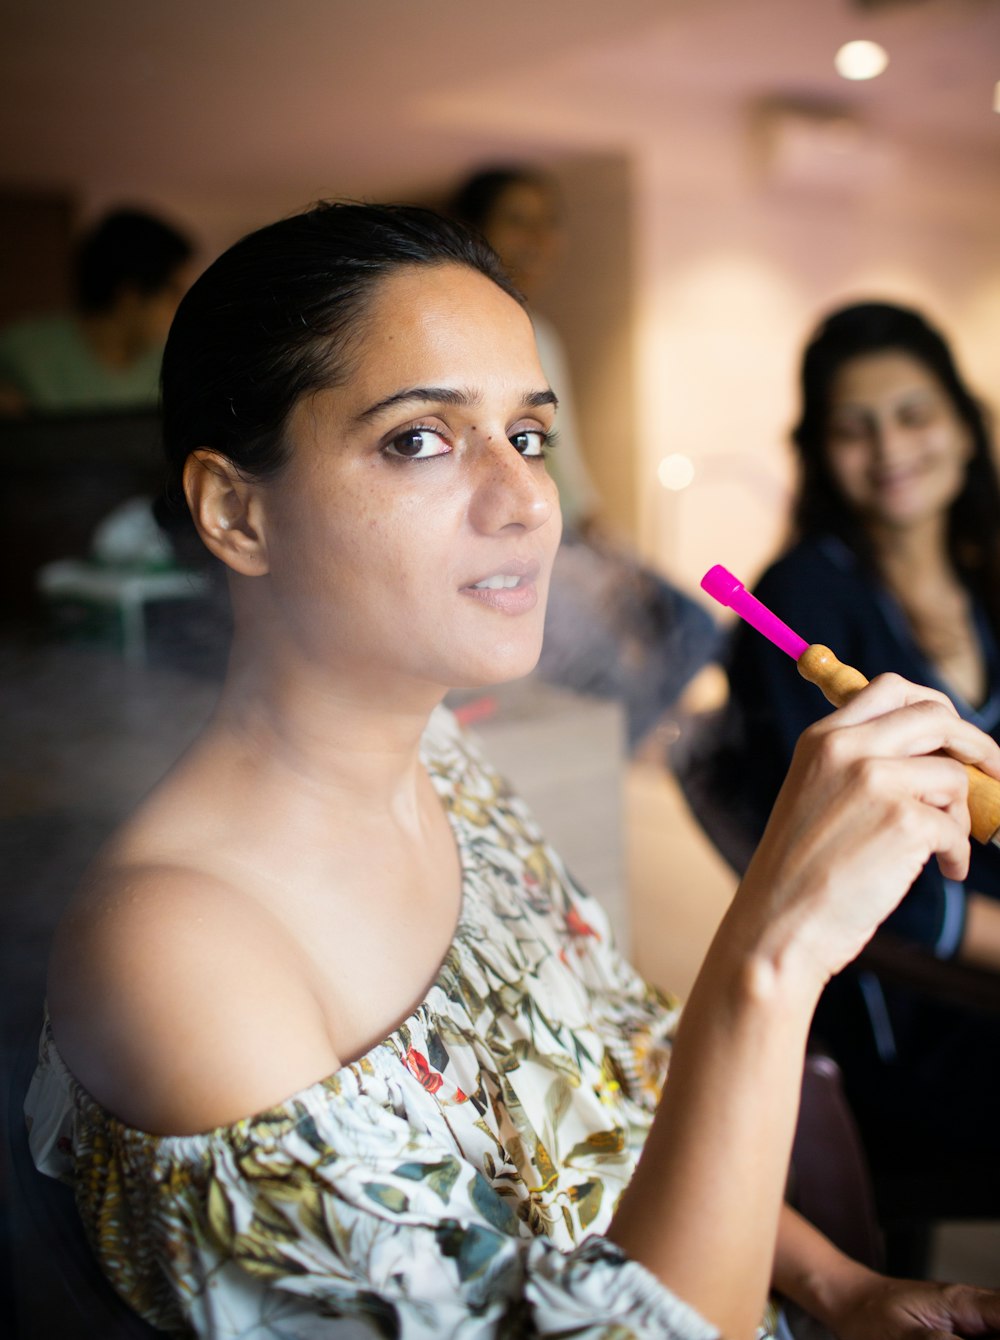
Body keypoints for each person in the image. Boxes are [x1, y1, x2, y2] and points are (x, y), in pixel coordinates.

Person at [25, 206, 1000, 1340]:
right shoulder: (174, 949)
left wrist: (839, 1286)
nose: (527, 499)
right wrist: (768, 958)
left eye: (527, 437)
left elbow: (625, 1107)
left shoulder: (446, 763)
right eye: (421, 440)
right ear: (237, 511)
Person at [713, 299, 1000, 1182]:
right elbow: (846, 860)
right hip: (916, 1010)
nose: (890, 450)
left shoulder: (984, 566)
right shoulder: (800, 600)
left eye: (914, 415)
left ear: (961, 424)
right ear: (819, 453)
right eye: (854, 428)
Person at [447, 167, 720, 751]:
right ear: (476, 229)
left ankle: (601, 756)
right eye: (518, 220)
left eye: (548, 224)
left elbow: (562, 467)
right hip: (528, 533)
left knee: (691, 626)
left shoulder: (539, 333)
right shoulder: (459, 332)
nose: (537, 239)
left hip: (565, 529)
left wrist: (611, 545)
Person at [0, 206, 195, 415]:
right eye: (174, 293)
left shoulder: (171, 368)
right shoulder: (24, 354)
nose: (183, 307)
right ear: (130, 296)